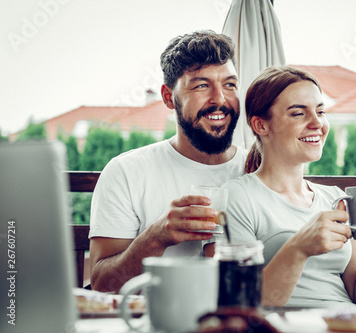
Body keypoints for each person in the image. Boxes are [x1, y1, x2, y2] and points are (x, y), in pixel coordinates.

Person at [205, 66, 356, 307]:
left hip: (347, 323)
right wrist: (298, 248)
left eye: (320, 111)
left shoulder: (336, 199)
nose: (317, 123)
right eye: (299, 113)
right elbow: (242, 304)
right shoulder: (236, 197)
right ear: (261, 125)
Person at [89, 30, 248, 292]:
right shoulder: (126, 172)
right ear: (167, 97)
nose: (220, 99)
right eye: (201, 85)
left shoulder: (259, 169)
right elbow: (102, 285)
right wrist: (155, 238)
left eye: (230, 84)